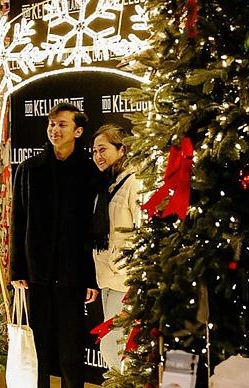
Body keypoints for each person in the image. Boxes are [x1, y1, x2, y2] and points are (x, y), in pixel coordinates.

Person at [10, 102, 100, 388]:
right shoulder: (29, 169)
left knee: (70, 351)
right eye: (52, 124)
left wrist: (90, 278)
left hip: (73, 275)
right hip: (36, 274)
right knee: (38, 348)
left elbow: (93, 228)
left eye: (62, 124)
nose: (55, 129)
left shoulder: (89, 171)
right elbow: (18, 221)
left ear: (78, 131)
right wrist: (17, 270)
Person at [91, 124, 141, 370]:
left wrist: (135, 275)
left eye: (103, 149)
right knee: (114, 347)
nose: (98, 156)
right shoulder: (106, 186)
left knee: (115, 347)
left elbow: (145, 232)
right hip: (107, 279)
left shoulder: (134, 182)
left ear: (121, 150)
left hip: (126, 280)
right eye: (94, 151)